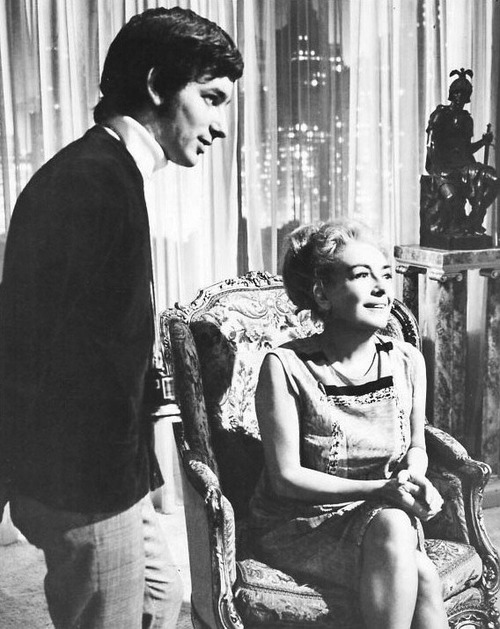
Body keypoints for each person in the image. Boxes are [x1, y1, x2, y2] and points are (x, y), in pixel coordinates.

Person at [0, 7, 243, 629]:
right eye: (211, 98)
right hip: (82, 476)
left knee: (161, 597)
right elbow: (37, 351)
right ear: (158, 85)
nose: (220, 125)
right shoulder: (89, 182)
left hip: (113, 467)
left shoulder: (111, 173)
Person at [248, 220, 448, 629]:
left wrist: (414, 477)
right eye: (361, 275)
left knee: (417, 565)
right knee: (413, 560)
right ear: (322, 293)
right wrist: (382, 491)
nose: (381, 289)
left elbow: (417, 445)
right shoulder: (286, 366)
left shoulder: (408, 361)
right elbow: (286, 479)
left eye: (386, 275)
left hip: (383, 514)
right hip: (304, 524)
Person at [425, 68, 499, 234]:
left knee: (494, 180)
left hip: (465, 166)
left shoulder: (467, 119)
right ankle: (460, 225)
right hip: (443, 168)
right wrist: (438, 171)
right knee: (452, 198)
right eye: (458, 92)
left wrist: (483, 142)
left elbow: (467, 149)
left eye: (464, 94)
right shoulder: (440, 115)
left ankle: (474, 219)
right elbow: (430, 145)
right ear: (452, 93)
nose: (460, 97)